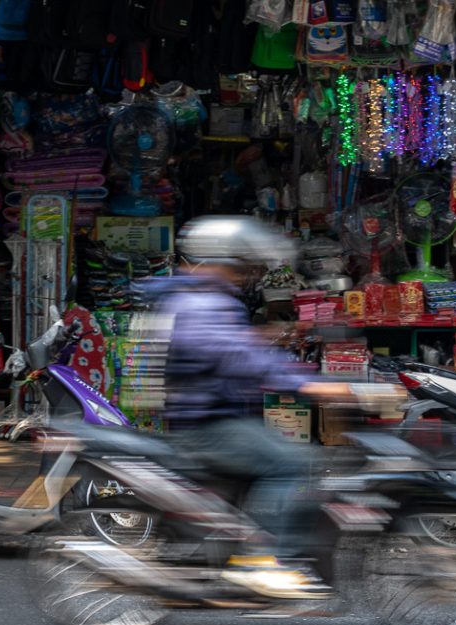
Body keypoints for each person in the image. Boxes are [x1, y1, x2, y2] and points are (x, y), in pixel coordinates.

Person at [151, 216, 353, 600]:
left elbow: (237, 348)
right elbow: (232, 355)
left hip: (217, 417)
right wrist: (305, 384)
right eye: (239, 265)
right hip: (207, 425)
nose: (243, 275)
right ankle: (262, 562)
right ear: (219, 261)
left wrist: (275, 347)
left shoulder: (202, 299)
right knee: (295, 462)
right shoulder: (201, 302)